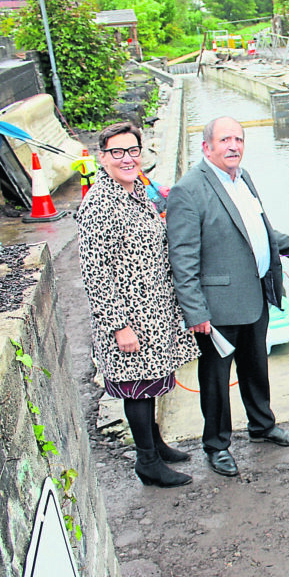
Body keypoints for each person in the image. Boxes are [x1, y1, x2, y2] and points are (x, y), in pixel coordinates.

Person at [168, 117, 289, 478]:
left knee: (256, 366)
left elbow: (256, 230)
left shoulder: (243, 177)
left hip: (255, 293)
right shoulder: (189, 189)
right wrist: (195, 311)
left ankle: (262, 426)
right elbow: (182, 259)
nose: (234, 146)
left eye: (239, 139)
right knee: (215, 379)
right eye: (225, 140)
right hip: (217, 307)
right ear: (206, 147)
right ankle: (216, 445)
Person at [78, 122, 200, 488]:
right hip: (130, 317)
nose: (128, 159)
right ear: (102, 158)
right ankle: (146, 461)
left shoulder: (135, 193)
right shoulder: (100, 203)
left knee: (151, 384)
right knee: (136, 388)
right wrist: (119, 325)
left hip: (153, 312)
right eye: (117, 152)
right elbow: (94, 272)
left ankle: (156, 443)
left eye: (133, 151)